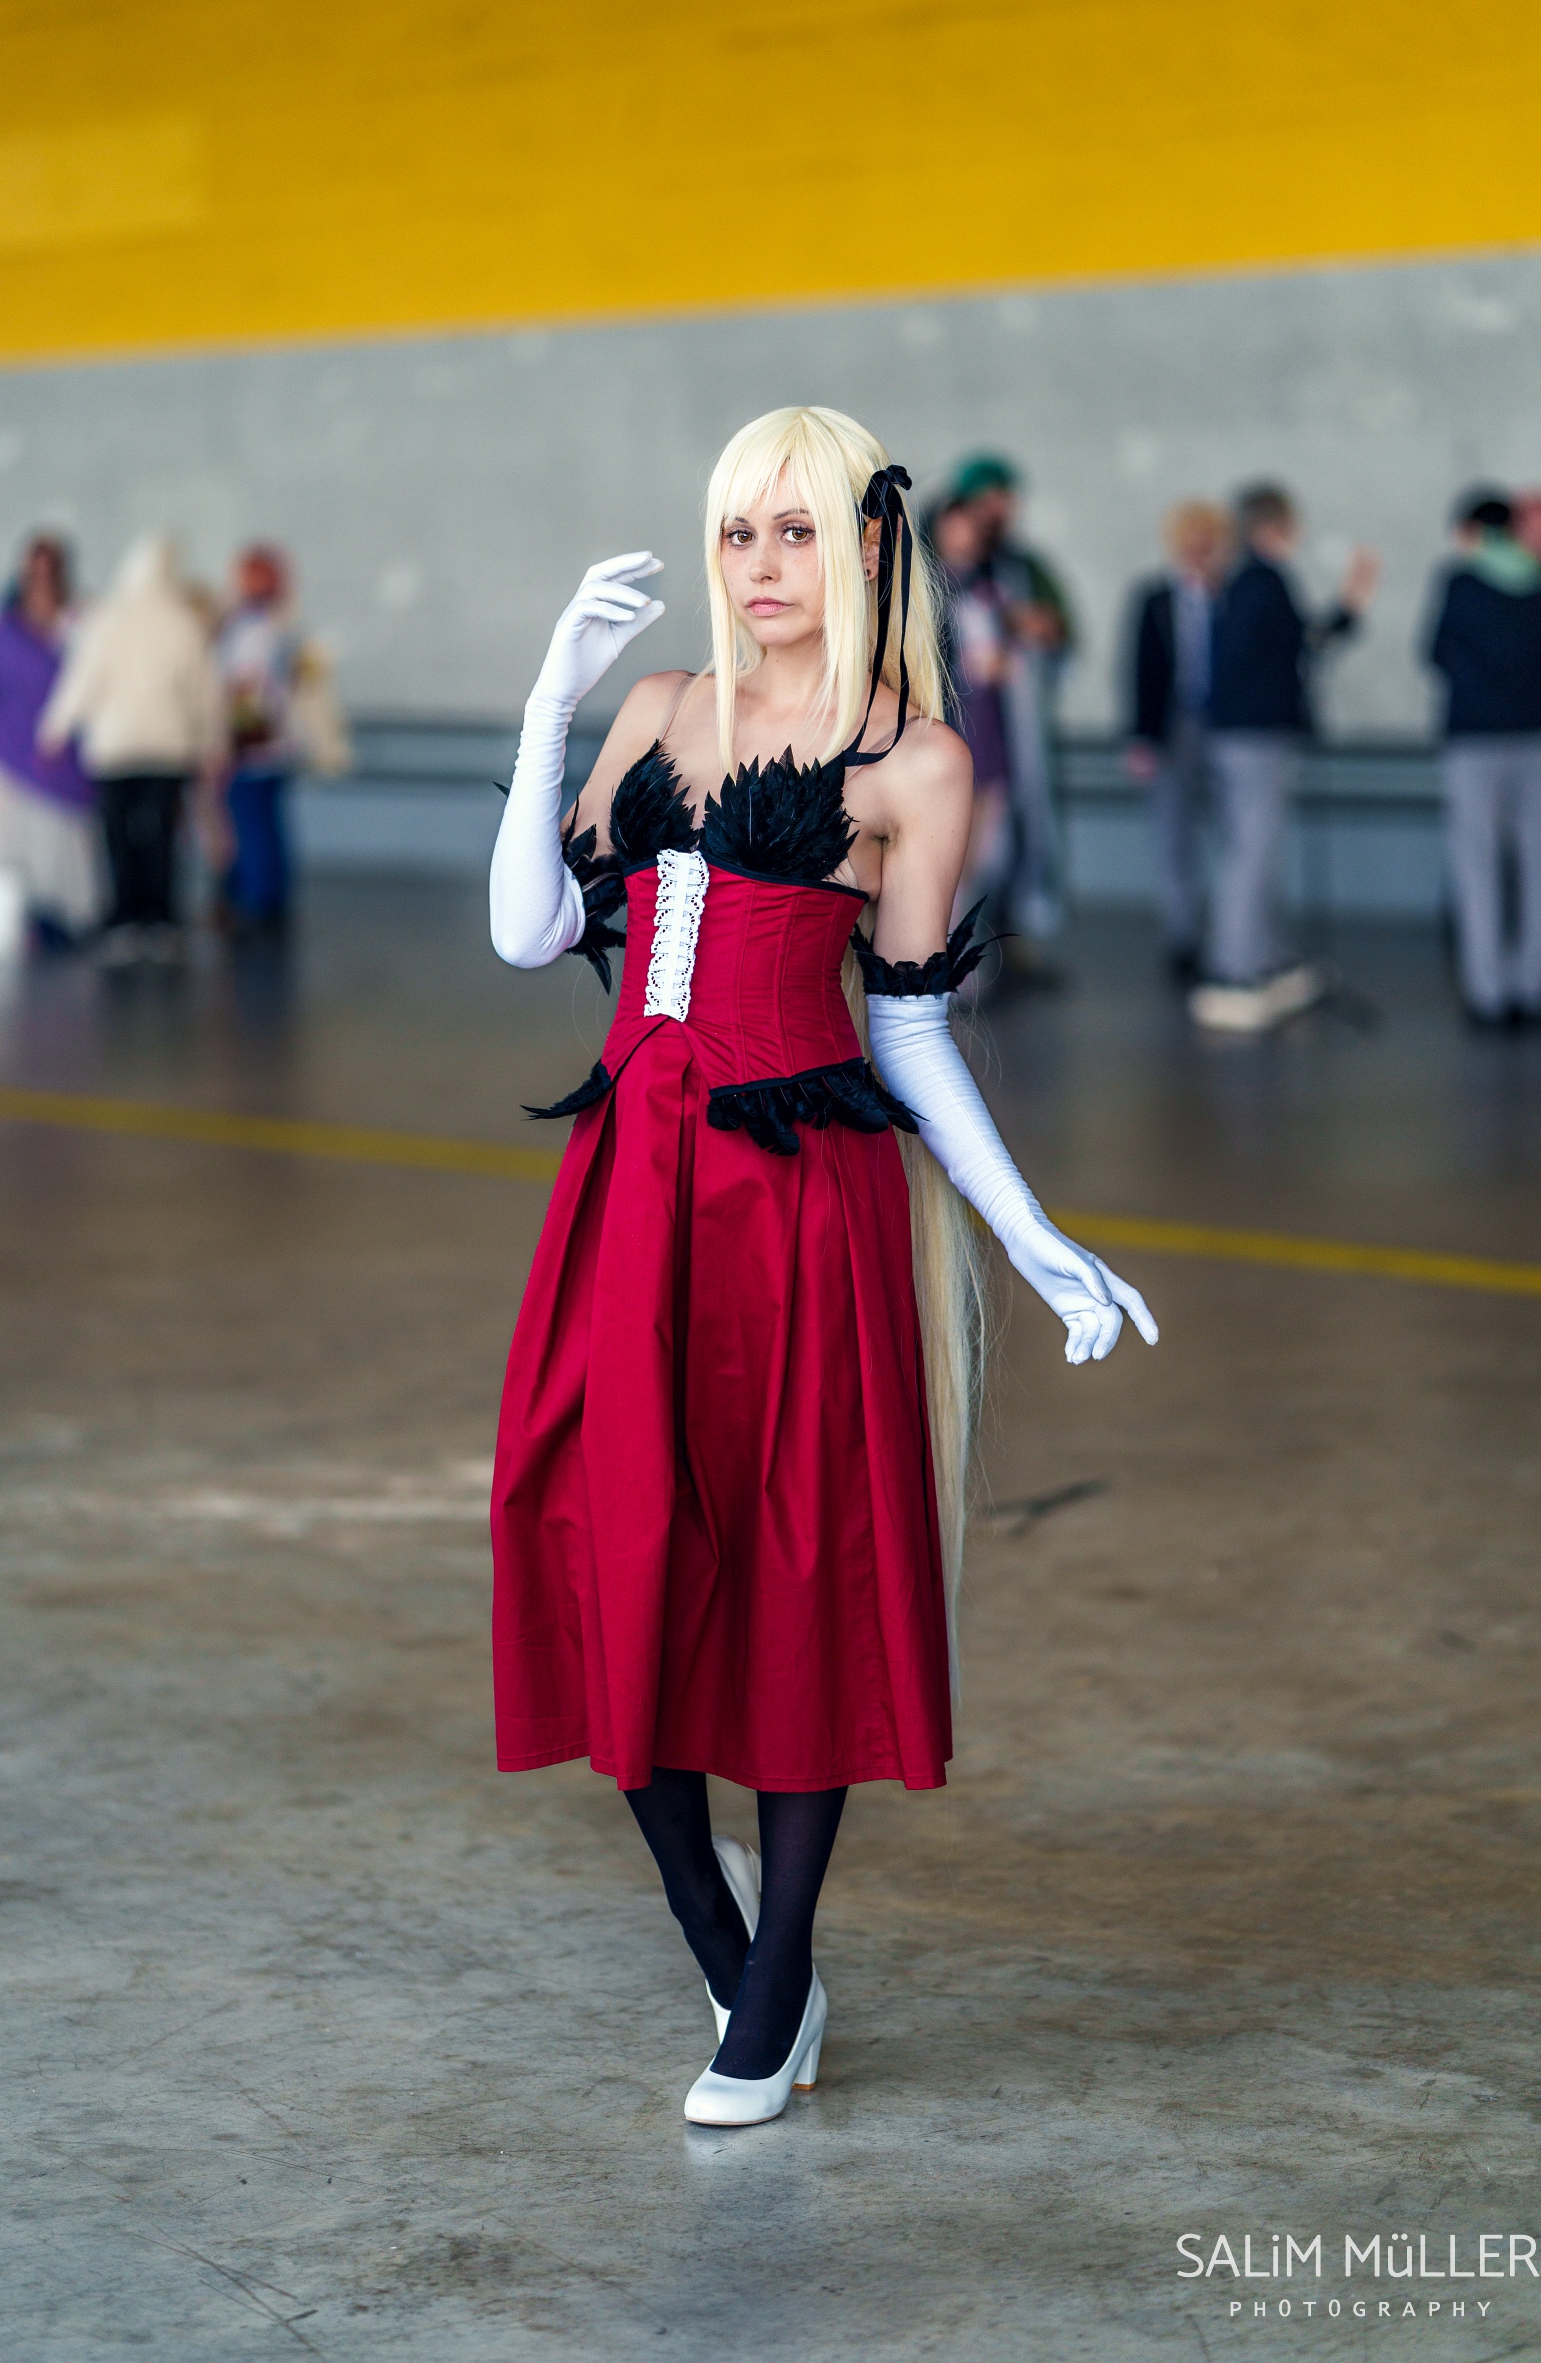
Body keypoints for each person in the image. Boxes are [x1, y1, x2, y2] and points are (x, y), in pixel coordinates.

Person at [487, 406, 1156, 2130]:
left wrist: (1033, 1240)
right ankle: (717, 1931)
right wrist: (552, 700)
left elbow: (911, 1031)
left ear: (868, 542)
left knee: (797, 1563)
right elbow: (530, 931)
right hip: (628, 1190)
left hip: (797, 1210)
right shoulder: (659, 710)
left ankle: (772, 1983)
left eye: (794, 531)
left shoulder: (917, 763)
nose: (759, 566)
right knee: (589, 1532)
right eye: (735, 533)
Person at [1188, 483, 1379, 1033]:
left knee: (1251, 849)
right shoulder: (1264, 579)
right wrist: (1349, 605)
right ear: (1274, 526)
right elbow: (1304, 643)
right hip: (1257, 736)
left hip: (1237, 735)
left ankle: (1260, 958)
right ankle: (1233, 970)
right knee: (1252, 851)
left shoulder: (1239, 580)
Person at [39, 535, 225, 965]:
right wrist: (213, 743)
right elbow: (205, 691)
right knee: (162, 838)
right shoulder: (184, 623)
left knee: (117, 837)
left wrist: (54, 730)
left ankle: (124, 919)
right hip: (169, 749)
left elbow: (82, 680)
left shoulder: (107, 619)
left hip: (113, 748)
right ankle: (160, 921)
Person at [1423, 490, 1541, 1026]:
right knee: (1539, 862)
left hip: (1475, 737)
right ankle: (1535, 984)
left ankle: (1487, 990)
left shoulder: (1462, 581)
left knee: (1478, 863)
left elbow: (1436, 652)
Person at [0, 534, 103, 952]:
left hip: (60, 750)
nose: (42, 579)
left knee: (60, 838)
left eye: (49, 569)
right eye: (34, 570)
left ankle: (64, 914)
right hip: (5, 747)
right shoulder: (1, 623)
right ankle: (2, 918)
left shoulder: (80, 618)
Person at [952, 454, 1076, 957]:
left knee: (1017, 836)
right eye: (986, 502)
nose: (996, 512)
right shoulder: (939, 573)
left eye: (1004, 501)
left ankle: (1015, 947)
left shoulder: (1025, 568)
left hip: (1017, 725)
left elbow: (1063, 632)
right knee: (969, 846)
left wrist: (1043, 629)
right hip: (965, 723)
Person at [1123, 502, 1235, 978]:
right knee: (1174, 835)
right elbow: (1140, 669)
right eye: (1191, 539)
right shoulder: (1155, 598)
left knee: (1233, 833)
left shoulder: (1232, 596)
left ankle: (1232, 933)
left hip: (1226, 726)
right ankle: (1183, 934)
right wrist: (1140, 737)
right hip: (1173, 726)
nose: (1199, 548)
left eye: (1207, 539)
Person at [215, 544, 309, 931]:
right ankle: (266, 898)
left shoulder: (254, 630)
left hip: (254, 746)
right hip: (273, 744)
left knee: (254, 826)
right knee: (265, 824)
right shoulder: (278, 626)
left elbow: (246, 690)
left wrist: (236, 744)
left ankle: (258, 901)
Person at [926, 493, 1009, 932]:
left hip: (990, 724)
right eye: (955, 525)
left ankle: (963, 941)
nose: (964, 535)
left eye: (971, 527)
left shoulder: (992, 586)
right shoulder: (924, 588)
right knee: (945, 845)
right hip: (950, 719)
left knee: (986, 845)